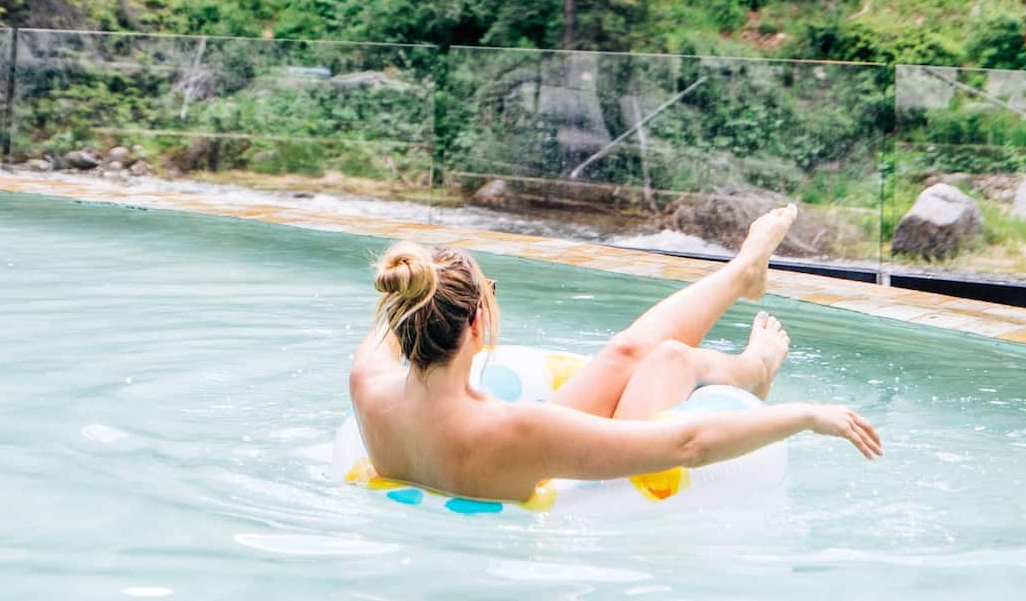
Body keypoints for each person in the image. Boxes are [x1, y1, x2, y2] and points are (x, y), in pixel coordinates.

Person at [348, 204, 882, 503]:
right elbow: (689, 444)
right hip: (551, 493)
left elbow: (393, 318)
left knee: (626, 352)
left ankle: (742, 274)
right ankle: (755, 369)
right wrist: (808, 415)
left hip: (473, 457)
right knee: (670, 359)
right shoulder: (522, 430)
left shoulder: (367, 385)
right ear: (476, 323)